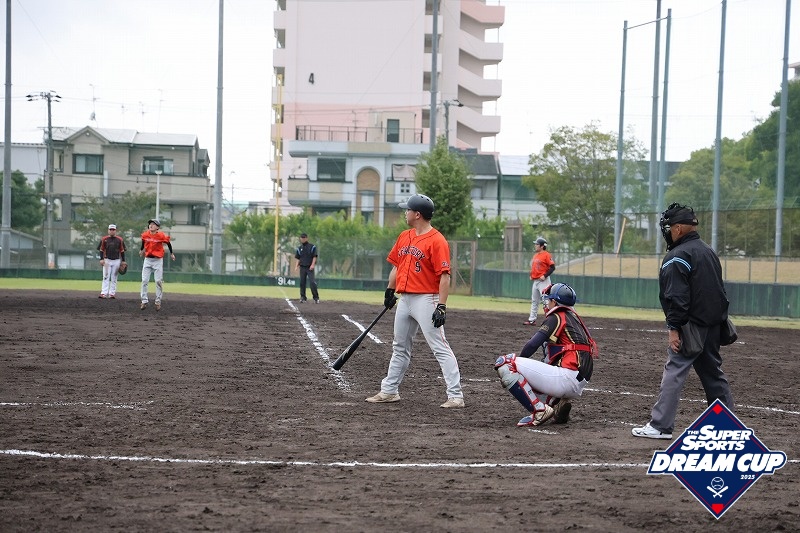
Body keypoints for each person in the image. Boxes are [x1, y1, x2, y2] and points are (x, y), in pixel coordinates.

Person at [632, 203, 735, 440]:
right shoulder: (708, 251)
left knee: (674, 370)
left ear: (678, 228)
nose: (667, 232)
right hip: (713, 325)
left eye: (669, 227)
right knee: (713, 375)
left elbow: (676, 297)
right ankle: (728, 425)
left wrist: (674, 328)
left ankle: (660, 426)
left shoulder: (677, 256)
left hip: (691, 326)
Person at [366, 194, 464, 408]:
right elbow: (397, 266)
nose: (405, 213)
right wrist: (390, 290)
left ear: (417, 214)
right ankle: (389, 391)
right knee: (399, 346)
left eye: (407, 209)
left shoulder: (437, 240)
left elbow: (445, 276)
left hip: (427, 299)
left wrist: (441, 305)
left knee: (439, 346)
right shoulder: (404, 236)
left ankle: (456, 396)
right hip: (405, 299)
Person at [495, 282, 597, 426]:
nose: (547, 303)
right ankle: (556, 405)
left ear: (555, 301)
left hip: (566, 379)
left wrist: (515, 369)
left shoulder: (557, 316)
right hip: (578, 381)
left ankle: (539, 411)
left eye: (549, 300)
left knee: (505, 363)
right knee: (542, 367)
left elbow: (532, 345)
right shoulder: (574, 320)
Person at [138, 219, 175, 311]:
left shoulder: (161, 235)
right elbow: (143, 242)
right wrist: (141, 250)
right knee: (144, 280)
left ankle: (158, 301)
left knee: (158, 281)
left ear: (157, 227)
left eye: (154, 224)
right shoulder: (145, 234)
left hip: (157, 260)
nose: (151, 225)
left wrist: (171, 253)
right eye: (150, 224)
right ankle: (144, 301)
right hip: (147, 259)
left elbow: (168, 243)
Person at [525, 236, 555, 326]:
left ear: (542, 246)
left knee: (546, 301)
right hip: (536, 281)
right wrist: (531, 275)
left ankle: (550, 320)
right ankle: (532, 320)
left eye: (537, 244)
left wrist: (545, 276)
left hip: (544, 281)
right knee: (534, 301)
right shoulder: (536, 255)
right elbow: (534, 267)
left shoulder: (546, 255)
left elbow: (552, 267)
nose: (535, 245)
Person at [97, 223, 126, 299]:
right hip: (107, 260)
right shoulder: (104, 239)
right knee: (106, 276)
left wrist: (123, 261)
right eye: (110, 229)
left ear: (116, 231)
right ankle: (104, 293)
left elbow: (122, 251)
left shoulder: (120, 240)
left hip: (116, 260)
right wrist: (101, 259)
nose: (112, 231)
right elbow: (101, 250)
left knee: (114, 277)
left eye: (113, 230)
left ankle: (112, 293)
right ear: (108, 230)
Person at [294, 233, 320, 303]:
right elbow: (298, 258)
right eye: (302, 238)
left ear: (307, 238)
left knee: (312, 282)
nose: (303, 239)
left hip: (309, 267)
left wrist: (312, 265)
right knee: (302, 282)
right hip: (302, 267)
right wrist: (296, 266)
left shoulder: (312, 247)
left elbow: (314, 256)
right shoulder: (299, 248)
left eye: (304, 238)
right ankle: (303, 297)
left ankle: (316, 298)